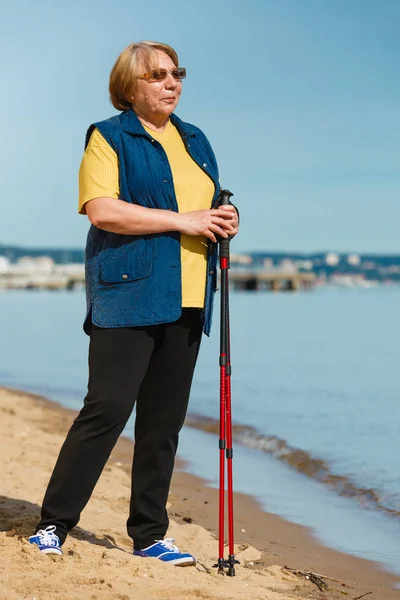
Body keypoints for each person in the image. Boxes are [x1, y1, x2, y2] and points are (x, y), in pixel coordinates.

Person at [29, 41, 239, 566]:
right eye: (157, 76)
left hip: (191, 295)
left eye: (177, 74)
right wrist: (183, 220)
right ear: (130, 86)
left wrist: (224, 218)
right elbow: (102, 210)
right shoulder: (109, 137)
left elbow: (209, 204)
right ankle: (54, 523)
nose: (171, 84)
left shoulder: (196, 139)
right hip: (129, 291)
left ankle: (148, 534)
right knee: (107, 409)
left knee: (164, 422)